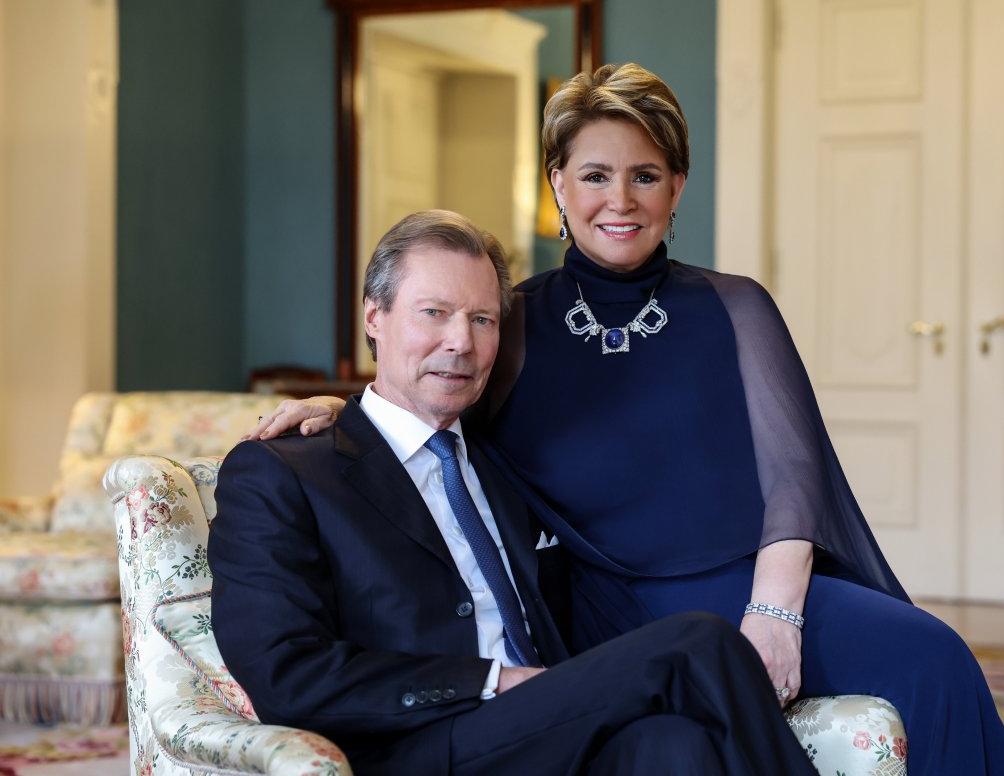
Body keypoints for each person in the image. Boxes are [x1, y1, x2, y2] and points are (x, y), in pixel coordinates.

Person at [254, 65, 1004, 774]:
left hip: (747, 584)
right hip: (602, 610)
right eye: (595, 174)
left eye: (645, 176)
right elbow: (427, 400)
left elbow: (797, 475)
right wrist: (343, 411)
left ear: (677, 187)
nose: (620, 200)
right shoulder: (509, 320)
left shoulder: (735, 306)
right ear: (558, 183)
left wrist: (774, 614)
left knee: (935, 658)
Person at [209, 209, 808, 776]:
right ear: (374, 318)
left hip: (545, 728)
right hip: (416, 746)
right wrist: (491, 681)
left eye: (482, 320)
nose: (460, 343)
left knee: (676, 746)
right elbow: (286, 675)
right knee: (699, 642)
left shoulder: (504, 463)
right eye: (433, 313)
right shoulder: (283, 473)